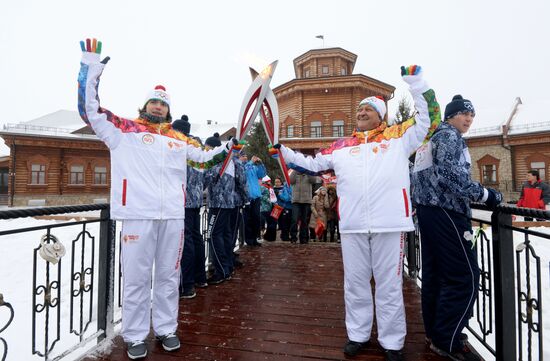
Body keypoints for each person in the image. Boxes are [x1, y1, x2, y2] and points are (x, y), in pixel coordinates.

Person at [77, 39, 236, 360]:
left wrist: (230, 145)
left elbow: (205, 159)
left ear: (169, 109)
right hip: (138, 214)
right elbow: (89, 110)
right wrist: (89, 68)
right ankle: (135, 335)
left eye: (163, 103)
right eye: (154, 102)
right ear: (145, 105)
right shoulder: (124, 130)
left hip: (173, 218)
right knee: (136, 279)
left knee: (168, 277)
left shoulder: (180, 139)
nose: (158, 107)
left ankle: (166, 328)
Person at [272, 65, 440, 360]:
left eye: (369, 109)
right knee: (356, 283)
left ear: (381, 116)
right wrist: (282, 151)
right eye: (360, 109)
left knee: (388, 285)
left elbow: (430, 120)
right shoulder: (341, 146)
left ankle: (392, 342)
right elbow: (309, 164)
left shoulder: (398, 138)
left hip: (389, 223)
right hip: (353, 225)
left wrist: (416, 83)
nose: (362, 112)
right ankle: (359, 334)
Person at [412, 94, 503, 361]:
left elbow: (418, 176)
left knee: (435, 275)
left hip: (428, 213)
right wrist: (487, 195)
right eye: (464, 114)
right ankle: (447, 339)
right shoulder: (449, 136)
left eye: (472, 116)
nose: (469, 120)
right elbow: (452, 176)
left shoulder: (429, 139)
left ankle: (435, 332)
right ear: (451, 115)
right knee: (465, 277)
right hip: (447, 212)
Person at [172, 116, 208, 299]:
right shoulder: (197, 150)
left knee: (185, 242)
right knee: (195, 239)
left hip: (181, 202)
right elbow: (206, 178)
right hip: (195, 202)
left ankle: (186, 285)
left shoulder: (181, 149)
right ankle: (200, 277)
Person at [204, 133, 235, 284]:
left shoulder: (219, 160)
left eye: (207, 147)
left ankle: (221, 271)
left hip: (219, 203)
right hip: (227, 203)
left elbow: (208, 178)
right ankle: (227, 267)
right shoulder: (228, 160)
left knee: (213, 235)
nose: (205, 150)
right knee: (224, 235)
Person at [242, 154, 267, 246]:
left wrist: (260, 164)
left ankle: (255, 238)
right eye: (243, 156)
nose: (245, 157)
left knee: (256, 218)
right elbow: (244, 171)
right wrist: (251, 162)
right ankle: (248, 239)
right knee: (247, 219)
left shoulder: (252, 166)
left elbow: (262, 174)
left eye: (245, 155)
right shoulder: (241, 166)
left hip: (256, 196)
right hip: (246, 197)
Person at [289, 170, 318, 244]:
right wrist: (295, 170)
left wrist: (307, 171)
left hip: (306, 201)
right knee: (294, 219)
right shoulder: (294, 173)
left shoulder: (309, 173)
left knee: (304, 221)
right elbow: (290, 181)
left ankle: (303, 238)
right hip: (296, 200)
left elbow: (314, 180)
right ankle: (293, 237)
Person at [273, 177, 293, 242]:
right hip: (276, 207)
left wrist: (280, 194)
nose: (277, 183)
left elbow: (287, 198)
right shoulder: (272, 189)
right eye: (276, 182)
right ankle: (273, 236)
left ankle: (284, 235)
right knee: (276, 223)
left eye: (278, 182)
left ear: (281, 182)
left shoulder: (283, 188)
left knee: (285, 223)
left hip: (284, 207)